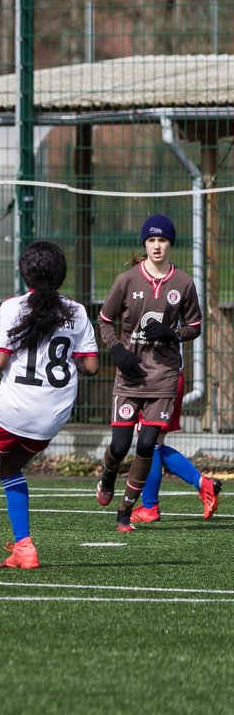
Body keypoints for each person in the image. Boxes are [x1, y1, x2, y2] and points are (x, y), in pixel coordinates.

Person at [0, 242, 100, 569]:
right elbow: (91, 367)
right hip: (54, 414)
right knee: (9, 467)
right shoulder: (77, 311)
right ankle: (24, 547)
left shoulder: (13, 307)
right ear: (61, 273)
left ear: (26, 272)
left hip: (15, 406)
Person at [95, 214, 208, 531]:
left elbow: (195, 326)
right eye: (151, 240)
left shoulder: (183, 283)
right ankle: (107, 474)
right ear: (144, 244)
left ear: (171, 244)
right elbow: (105, 320)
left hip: (164, 377)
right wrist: (117, 350)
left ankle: (125, 511)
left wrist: (174, 335)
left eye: (163, 240)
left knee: (147, 445)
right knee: (119, 446)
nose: (157, 246)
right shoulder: (127, 279)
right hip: (130, 376)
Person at [129, 362, 222, 525]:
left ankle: (149, 508)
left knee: (148, 444)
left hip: (159, 379)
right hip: (167, 377)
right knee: (154, 443)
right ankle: (204, 484)